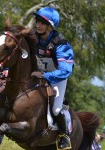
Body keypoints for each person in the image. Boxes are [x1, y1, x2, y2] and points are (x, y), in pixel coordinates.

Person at [31, 7, 74, 149]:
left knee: (56, 110)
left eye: (42, 23)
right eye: (37, 21)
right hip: (39, 74)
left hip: (57, 78)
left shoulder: (61, 44)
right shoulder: (34, 37)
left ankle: (64, 134)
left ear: (50, 26)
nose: (38, 25)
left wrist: (45, 75)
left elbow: (65, 71)